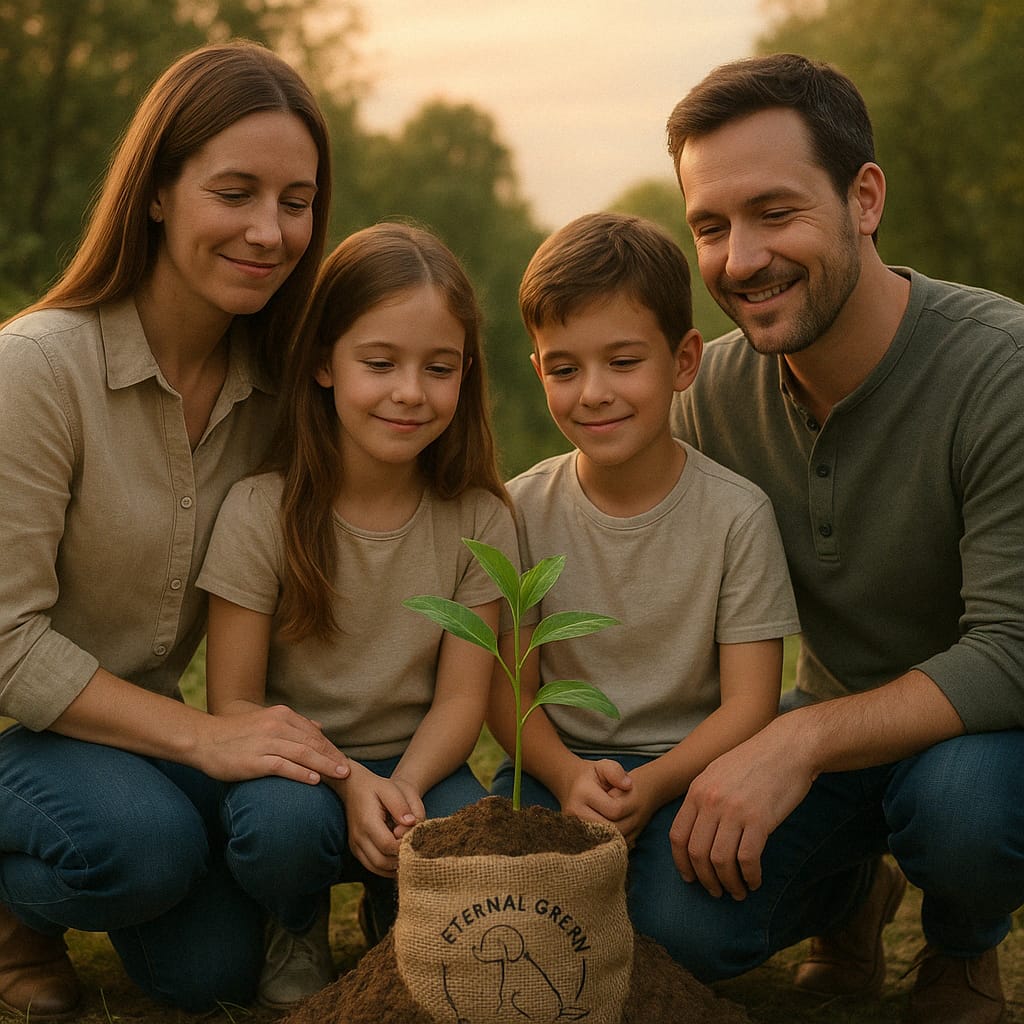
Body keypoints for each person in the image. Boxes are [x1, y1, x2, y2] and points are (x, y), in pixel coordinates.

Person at [664, 53, 1024, 1024]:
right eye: (710, 226)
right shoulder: (704, 400)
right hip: (820, 734)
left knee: (968, 814)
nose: (739, 260)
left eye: (774, 213)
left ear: (864, 198)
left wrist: (802, 737)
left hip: (974, 741)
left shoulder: (1001, 372)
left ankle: (960, 945)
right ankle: (848, 896)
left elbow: (1012, 651)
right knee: (674, 920)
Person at [0, 41, 346, 1018]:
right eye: (234, 192)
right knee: (138, 846)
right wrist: (201, 738)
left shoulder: (281, 390)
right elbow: (5, 643)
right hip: (20, 730)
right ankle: (13, 914)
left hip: (131, 742)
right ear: (157, 191)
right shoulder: (35, 370)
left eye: (295, 200)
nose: (270, 232)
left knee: (209, 973)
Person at [196, 221, 518, 1009]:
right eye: (380, 363)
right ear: (322, 363)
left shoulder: (479, 517)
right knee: (279, 833)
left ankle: (393, 906)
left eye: (438, 369)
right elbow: (232, 702)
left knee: (477, 855)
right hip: (294, 770)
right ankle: (294, 917)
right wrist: (349, 785)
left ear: (464, 375)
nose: (411, 391)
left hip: (422, 762)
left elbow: (462, 700)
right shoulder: (260, 510)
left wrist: (401, 788)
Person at [487, 211, 800, 962]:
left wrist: (655, 784)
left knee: (682, 937)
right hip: (553, 762)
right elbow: (508, 686)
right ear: (539, 373)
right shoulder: (517, 511)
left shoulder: (735, 515)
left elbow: (752, 702)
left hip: (691, 767)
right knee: (513, 923)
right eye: (565, 369)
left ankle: (842, 891)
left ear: (683, 361)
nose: (593, 393)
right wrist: (565, 776)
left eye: (623, 362)